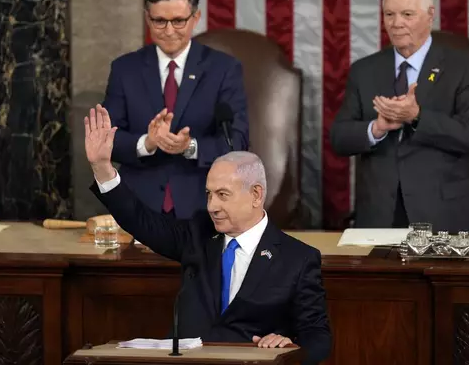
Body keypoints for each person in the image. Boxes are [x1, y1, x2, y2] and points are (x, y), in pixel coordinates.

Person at [84, 104, 332, 364]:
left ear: (256, 195)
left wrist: (290, 346)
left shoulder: (297, 259)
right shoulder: (198, 234)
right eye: (209, 195)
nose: (212, 206)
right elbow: (142, 221)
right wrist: (103, 167)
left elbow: (318, 336)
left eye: (223, 195)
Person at [330, 0, 469, 234]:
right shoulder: (364, 71)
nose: (396, 23)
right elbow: (339, 138)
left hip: (444, 218)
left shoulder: (463, 68)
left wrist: (417, 117)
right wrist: (376, 128)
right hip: (379, 218)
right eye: (389, 14)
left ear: (430, 15)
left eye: (407, 14)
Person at [102, 0, 249, 219]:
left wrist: (189, 147)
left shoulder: (223, 69)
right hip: (137, 207)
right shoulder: (124, 69)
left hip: (204, 206)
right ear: (148, 18)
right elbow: (109, 141)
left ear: (196, 18)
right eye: (160, 21)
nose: (169, 31)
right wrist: (146, 143)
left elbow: (238, 141)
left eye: (179, 21)